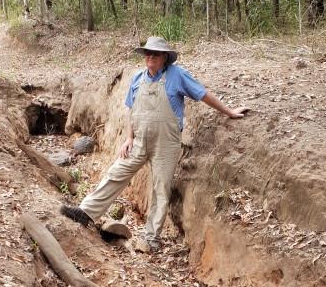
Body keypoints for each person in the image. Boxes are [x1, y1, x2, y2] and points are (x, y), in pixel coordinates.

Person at [60, 36, 248, 250]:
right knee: (116, 172)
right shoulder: (138, 78)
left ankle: (151, 238)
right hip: (139, 141)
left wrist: (230, 112)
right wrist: (128, 138)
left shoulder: (177, 75)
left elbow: (203, 94)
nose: (150, 56)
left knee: (161, 188)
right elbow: (131, 109)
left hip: (166, 145)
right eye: (148, 53)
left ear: (165, 57)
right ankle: (86, 213)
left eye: (156, 53)